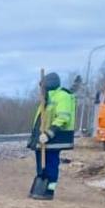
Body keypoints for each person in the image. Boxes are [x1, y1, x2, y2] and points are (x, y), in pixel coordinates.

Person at [29, 71, 75, 199]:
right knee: (41, 164)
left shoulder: (62, 96)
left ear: (49, 85)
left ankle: (49, 191)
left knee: (51, 163)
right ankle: (39, 188)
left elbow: (63, 117)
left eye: (42, 87)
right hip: (43, 138)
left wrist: (49, 133)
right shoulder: (47, 98)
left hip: (55, 138)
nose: (41, 90)